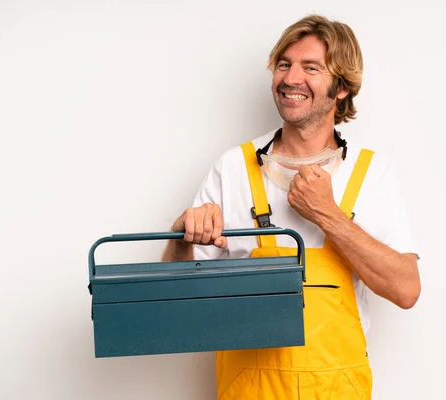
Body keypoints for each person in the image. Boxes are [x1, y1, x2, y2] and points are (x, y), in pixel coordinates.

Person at [162, 14, 421, 400]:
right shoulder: (234, 167)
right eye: (284, 65)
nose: (290, 78)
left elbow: (405, 289)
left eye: (310, 68)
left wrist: (328, 215)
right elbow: (171, 297)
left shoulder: (370, 173)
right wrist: (182, 236)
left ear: (342, 89)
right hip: (250, 390)